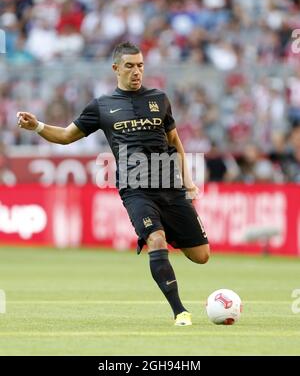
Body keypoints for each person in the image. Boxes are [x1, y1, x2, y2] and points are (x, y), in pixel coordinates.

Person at [17, 41, 210, 326]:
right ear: (116, 68)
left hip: (170, 185)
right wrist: (38, 126)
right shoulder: (102, 106)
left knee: (201, 256)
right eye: (130, 66)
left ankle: (161, 229)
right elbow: (67, 136)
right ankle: (180, 311)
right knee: (155, 239)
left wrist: (189, 183)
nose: (136, 72)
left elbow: (174, 141)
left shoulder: (160, 98)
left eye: (141, 65)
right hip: (135, 189)